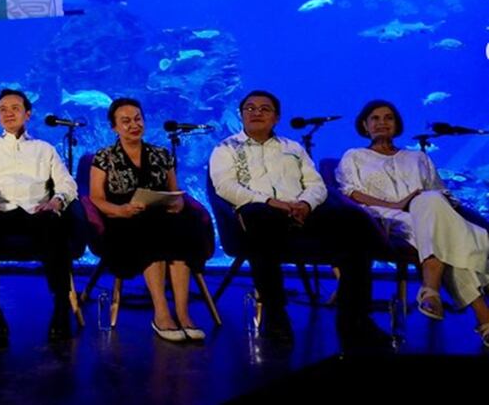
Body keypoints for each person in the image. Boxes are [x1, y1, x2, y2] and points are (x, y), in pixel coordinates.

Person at [209, 90, 390, 350]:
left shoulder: (293, 148)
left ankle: (356, 318)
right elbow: (225, 187)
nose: (256, 112)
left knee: (353, 219)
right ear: (241, 115)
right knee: (260, 218)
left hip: (302, 214)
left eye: (264, 108)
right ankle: (276, 314)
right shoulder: (225, 148)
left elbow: (316, 184)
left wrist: (305, 204)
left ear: (276, 117)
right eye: (250, 108)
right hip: (260, 215)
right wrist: (271, 203)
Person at [337, 100, 489, 348]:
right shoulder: (355, 156)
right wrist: (398, 205)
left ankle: (431, 289)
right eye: (374, 118)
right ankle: (482, 311)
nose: (382, 122)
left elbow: (438, 192)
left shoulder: (418, 157)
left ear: (397, 125)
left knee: (429, 203)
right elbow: (351, 192)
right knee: (442, 231)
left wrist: (424, 202)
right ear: (364, 125)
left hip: (428, 211)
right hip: (384, 217)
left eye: (388, 118)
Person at [0, 88, 78, 347]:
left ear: (27, 114)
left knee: (56, 223)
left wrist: (57, 200)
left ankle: (60, 308)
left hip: (36, 213)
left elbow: (67, 183)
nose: (8, 113)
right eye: (2, 109)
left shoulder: (45, 149)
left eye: (14, 108)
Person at [89, 98, 209, 342]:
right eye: (125, 121)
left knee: (181, 230)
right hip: (123, 221)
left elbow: (176, 192)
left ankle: (184, 314)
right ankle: (162, 312)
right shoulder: (104, 157)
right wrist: (120, 210)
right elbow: (96, 198)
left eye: (137, 119)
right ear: (114, 127)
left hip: (161, 217)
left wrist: (176, 203)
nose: (134, 125)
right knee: (151, 232)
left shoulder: (161, 154)